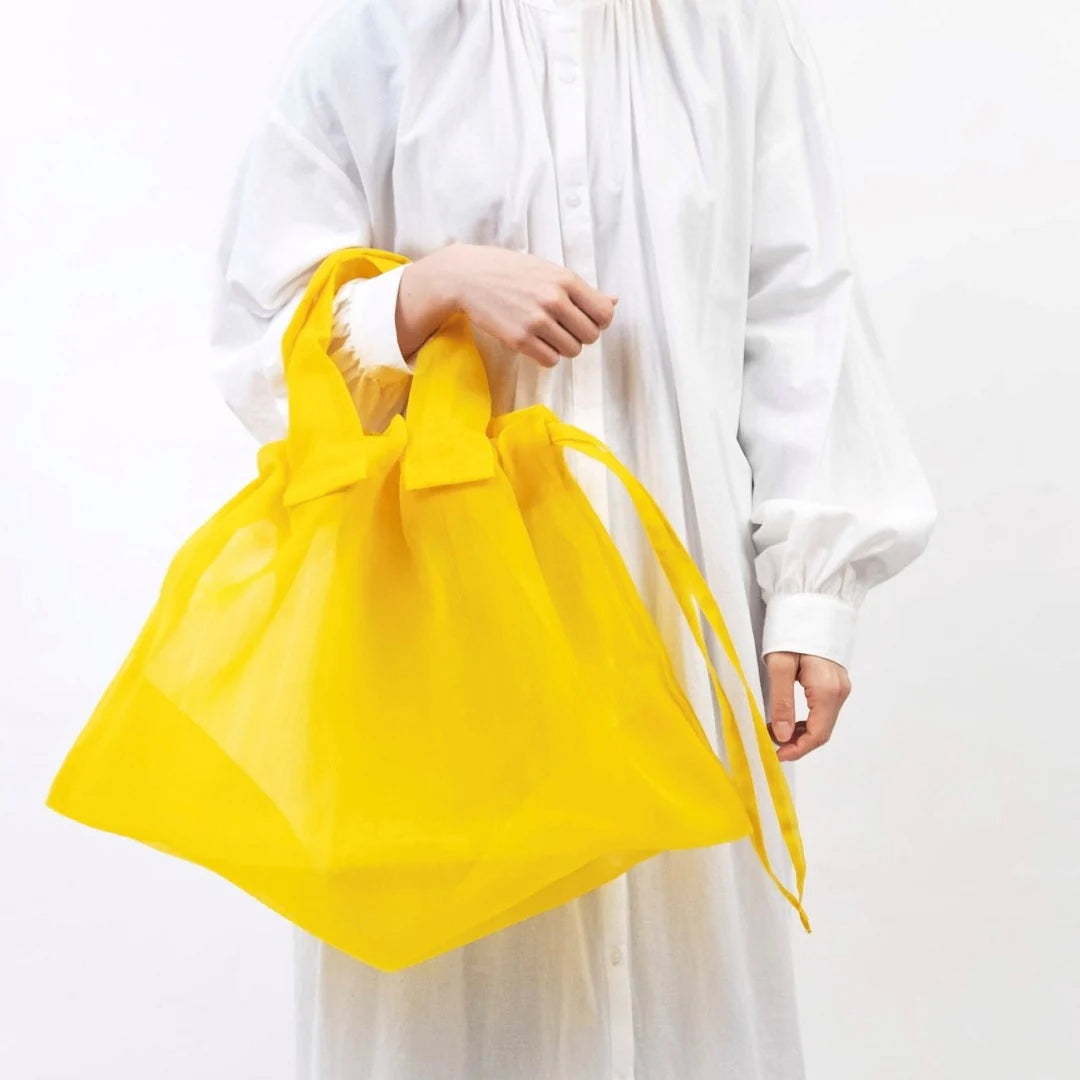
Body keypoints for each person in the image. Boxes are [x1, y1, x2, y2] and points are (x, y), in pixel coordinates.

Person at [208, 1, 938, 1077]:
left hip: (665, 608)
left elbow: (800, 312)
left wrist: (814, 593)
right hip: (443, 620)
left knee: (673, 950)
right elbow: (261, 352)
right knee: (452, 974)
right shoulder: (374, 39)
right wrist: (424, 289)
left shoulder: (732, 39)